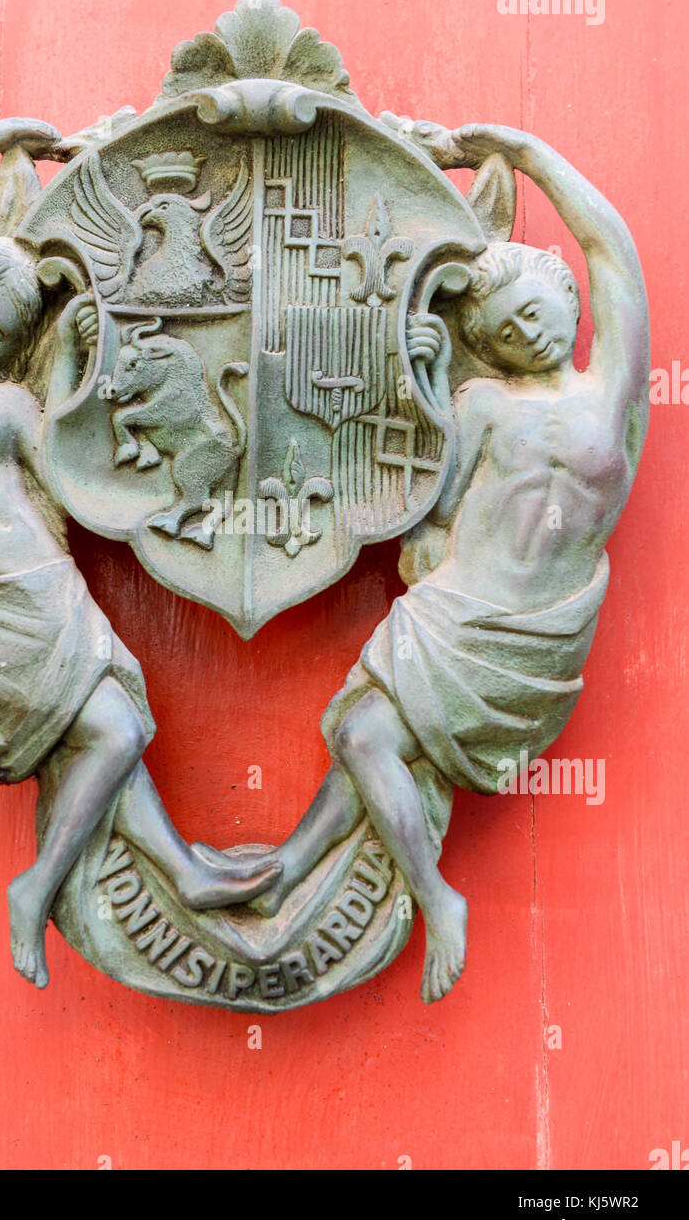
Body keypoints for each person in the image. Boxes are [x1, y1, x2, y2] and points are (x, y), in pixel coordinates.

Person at [0, 118, 280, 989]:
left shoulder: (12, 404)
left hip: (42, 589)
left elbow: (79, 464)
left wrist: (82, 348)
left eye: (2, 332)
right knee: (109, 729)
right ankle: (52, 884)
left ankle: (170, 873)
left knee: (115, 727)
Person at [248, 122, 649, 1005]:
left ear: (568, 310)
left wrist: (527, 153)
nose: (526, 334)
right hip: (456, 609)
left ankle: (321, 878)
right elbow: (420, 504)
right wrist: (428, 387)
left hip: (537, 632)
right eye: (505, 330)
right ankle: (419, 895)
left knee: (370, 740)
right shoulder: (479, 406)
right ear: (490, 345)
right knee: (361, 737)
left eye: (536, 314)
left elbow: (609, 249)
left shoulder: (609, 390)